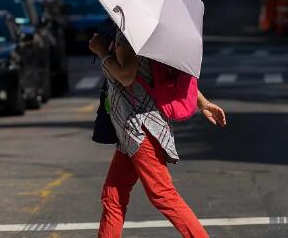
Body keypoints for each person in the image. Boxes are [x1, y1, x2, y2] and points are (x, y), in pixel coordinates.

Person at [89, 30, 227, 238]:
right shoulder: (143, 31)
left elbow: (126, 76)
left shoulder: (129, 34)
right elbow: (160, 74)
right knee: (113, 196)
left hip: (140, 129)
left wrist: (102, 52)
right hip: (129, 131)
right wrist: (203, 103)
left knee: (162, 194)